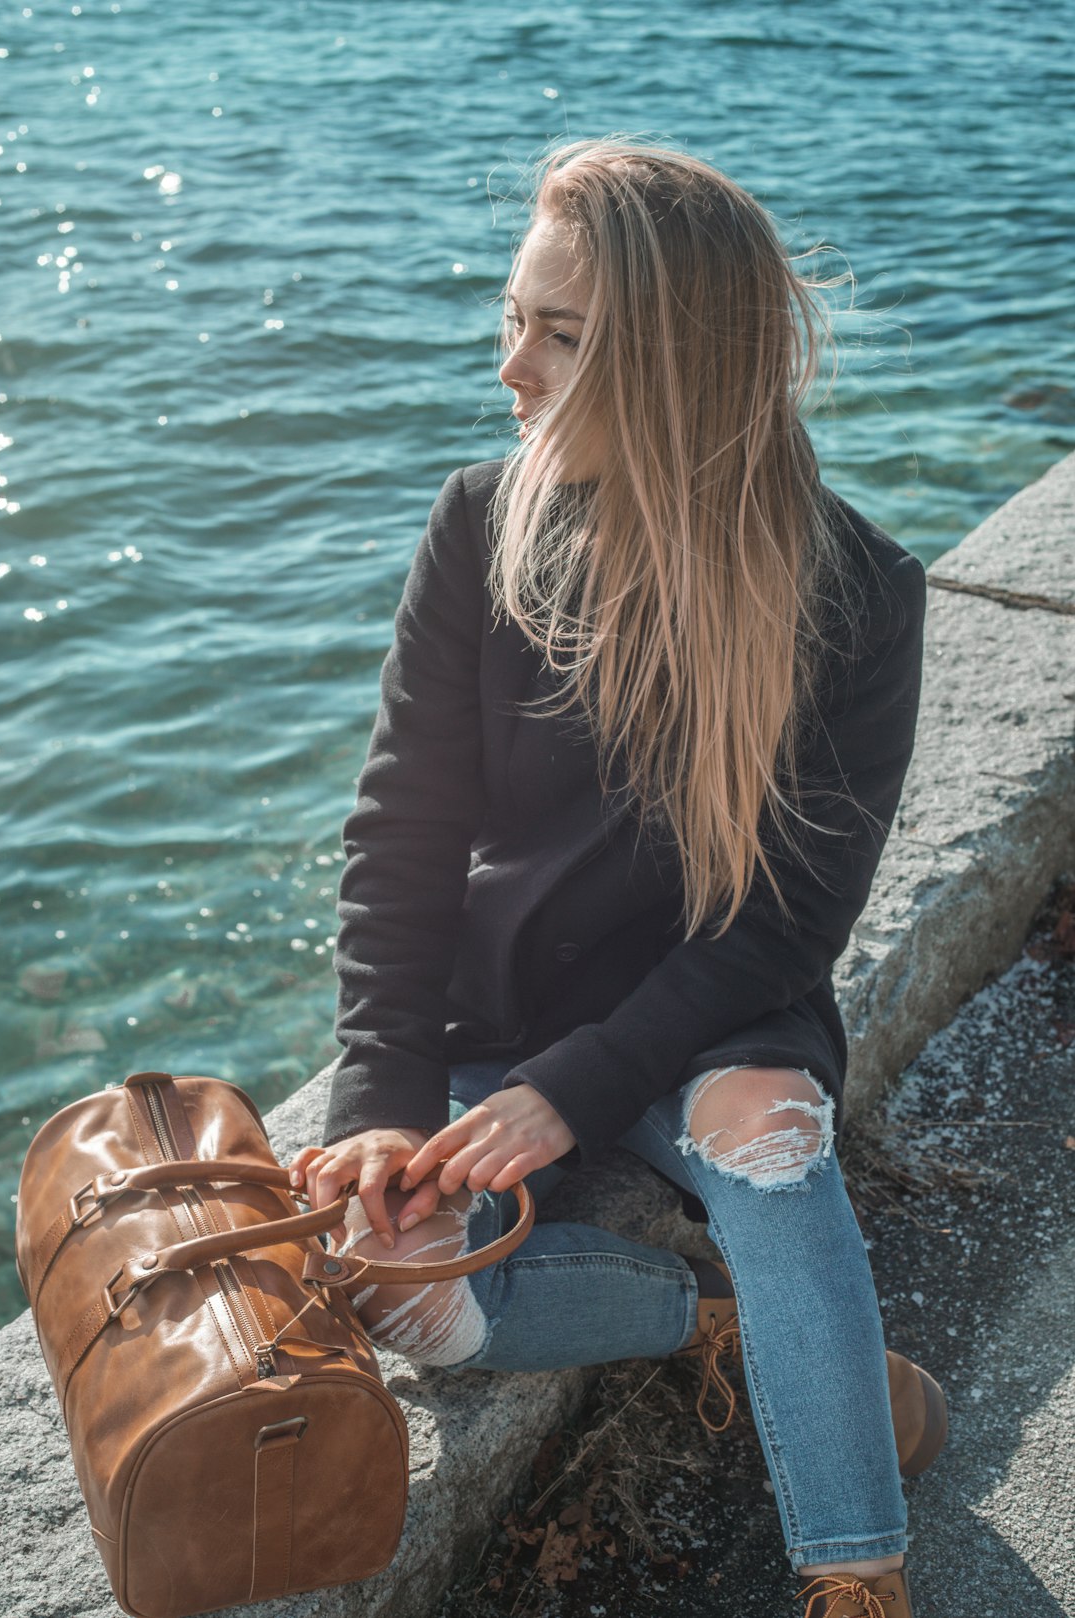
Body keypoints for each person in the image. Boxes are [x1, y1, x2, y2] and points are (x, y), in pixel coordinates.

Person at [288, 137, 944, 1617]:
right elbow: (399, 835)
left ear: (678, 361)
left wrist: (577, 1088)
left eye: (558, 333)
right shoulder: (478, 525)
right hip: (495, 1009)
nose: (510, 368)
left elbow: (787, 923)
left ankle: (859, 1576)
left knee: (775, 1145)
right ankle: (710, 1320)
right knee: (396, 1290)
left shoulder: (858, 593)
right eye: (512, 317)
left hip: (713, 1018)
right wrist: (383, 1103)